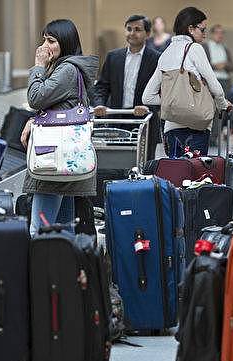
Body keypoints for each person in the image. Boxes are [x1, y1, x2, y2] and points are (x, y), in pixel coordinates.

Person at [20, 19, 99, 236]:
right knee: (64, 231)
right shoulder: (69, 68)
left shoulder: (66, 70)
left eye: (52, 41)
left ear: (65, 42)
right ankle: (65, 269)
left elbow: (36, 98)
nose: (45, 46)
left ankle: (40, 269)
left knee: (39, 230)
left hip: (51, 161)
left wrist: (38, 66)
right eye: (44, 39)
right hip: (63, 158)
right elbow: (55, 107)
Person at [142, 6, 233, 157]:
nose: (205, 34)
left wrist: (174, 100)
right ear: (190, 28)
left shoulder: (165, 53)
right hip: (197, 125)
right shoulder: (195, 48)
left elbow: (147, 97)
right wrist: (223, 104)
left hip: (171, 128)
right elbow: (215, 87)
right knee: (196, 175)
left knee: (177, 173)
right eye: (202, 30)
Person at [93, 15, 161, 159]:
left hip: (144, 120)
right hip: (117, 119)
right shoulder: (113, 57)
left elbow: (162, 91)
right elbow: (102, 87)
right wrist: (99, 105)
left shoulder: (157, 59)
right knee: (116, 163)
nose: (132, 33)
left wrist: (147, 106)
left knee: (144, 166)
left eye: (137, 29)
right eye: (129, 29)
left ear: (148, 34)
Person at [202, 24, 233, 94]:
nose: (220, 35)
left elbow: (232, 65)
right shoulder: (205, 47)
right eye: (217, 32)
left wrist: (225, 65)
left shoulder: (225, 48)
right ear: (212, 34)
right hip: (211, 79)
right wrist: (215, 66)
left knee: (225, 103)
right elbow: (201, 65)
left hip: (225, 80)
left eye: (221, 33)